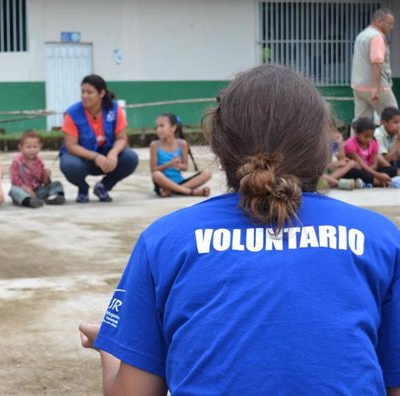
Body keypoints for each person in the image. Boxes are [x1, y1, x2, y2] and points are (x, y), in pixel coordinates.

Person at [79, 64, 400, 395]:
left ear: (218, 148)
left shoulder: (165, 241)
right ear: (323, 144)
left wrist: (111, 347)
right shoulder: (381, 239)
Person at [59, 74, 139, 203]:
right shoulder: (72, 113)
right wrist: (96, 157)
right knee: (69, 164)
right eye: (82, 92)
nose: (84, 96)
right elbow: (71, 146)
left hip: (107, 158)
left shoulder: (114, 109)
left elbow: (122, 138)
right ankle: (83, 188)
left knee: (130, 158)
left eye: (89, 92)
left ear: (101, 93)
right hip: (83, 159)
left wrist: (113, 153)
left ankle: (104, 187)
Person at [351, 8, 397, 122]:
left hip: (359, 87)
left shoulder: (362, 35)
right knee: (394, 120)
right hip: (377, 88)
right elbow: (376, 63)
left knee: (360, 123)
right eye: (390, 24)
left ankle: (354, 140)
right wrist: (376, 88)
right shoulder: (377, 38)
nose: (391, 27)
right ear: (379, 21)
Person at [150, 113, 211, 197]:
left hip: (179, 182)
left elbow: (185, 168)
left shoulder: (182, 144)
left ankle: (173, 191)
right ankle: (190, 192)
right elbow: (153, 170)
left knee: (207, 173)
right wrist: (169, 164)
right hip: (163, 184)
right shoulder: (154, 145)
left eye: (161, 126)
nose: (158, 129)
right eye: (156, 127)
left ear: (173, 127)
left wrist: (179, 165)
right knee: (156, 175)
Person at [9, 130, 65, 208]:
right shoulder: (17, 162)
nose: (32, 150)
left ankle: (56, 197)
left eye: (35, 147)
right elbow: (16, 181)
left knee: (57, 184)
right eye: (28, 147)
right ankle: (29, 201)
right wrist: (28, 191)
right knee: (14, 190)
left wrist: (46, 176)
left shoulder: (39, 162)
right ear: (20, 147)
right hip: (23, 190)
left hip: (37, 191)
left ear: (40, 147)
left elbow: (43, 182)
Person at [343, 116, 397, 187]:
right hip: (358, 169)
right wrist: (378, 175)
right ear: (356, 133)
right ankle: (379, 183)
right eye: (366, 137)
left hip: (369, 170)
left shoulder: (373, 143)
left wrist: (374, 173)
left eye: (371, 136)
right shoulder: (350, 144)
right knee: (355, 172)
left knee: (392, 170)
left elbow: (375, 165)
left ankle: (367, 182)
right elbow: (362, 165)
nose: (368, 139)